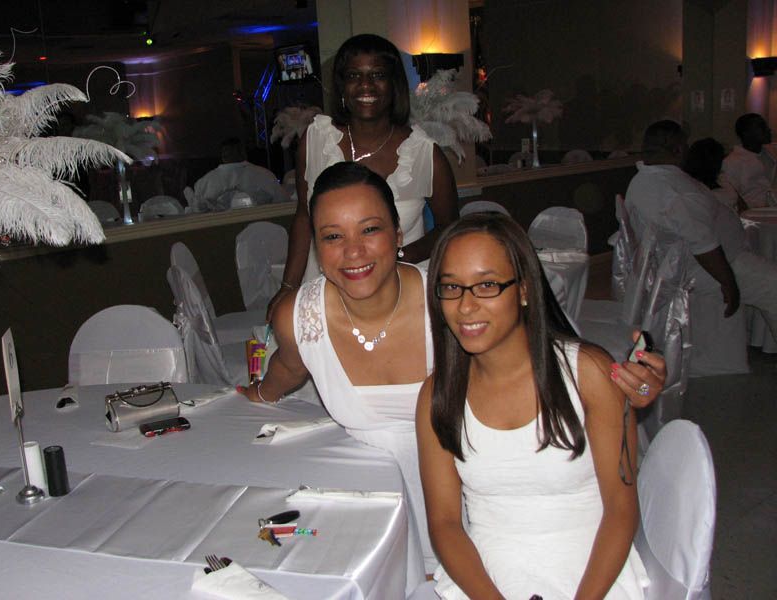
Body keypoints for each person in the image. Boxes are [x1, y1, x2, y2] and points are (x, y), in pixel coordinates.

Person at [240, 162, 667, 580]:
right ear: (316, 246)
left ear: (398, 234)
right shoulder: (306, 318)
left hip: (484, 494)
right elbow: (288, 368)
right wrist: (255, 394)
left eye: (369, 229)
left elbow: (551, 359)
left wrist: (630, 390)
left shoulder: (451, 300)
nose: (353, 251)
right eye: (333, 236)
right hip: (381, 496)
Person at [416, 213, 648, 599]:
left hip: (593, 571)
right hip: (487, 575)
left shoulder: (588, 374)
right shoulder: (438, 395)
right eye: (452, 287)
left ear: (523, 290)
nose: (466, 306)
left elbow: (621, 511)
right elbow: (445, 523)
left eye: (487, 285)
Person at [267, 33, 459, 319]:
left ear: (394, 85)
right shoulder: (317, 139)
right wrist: (288, 287)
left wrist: (395, 256)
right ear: (342, 86)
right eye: (354, 75)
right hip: (326, 293)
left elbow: (449, 228)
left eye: (378, 75)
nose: (366, 85)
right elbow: (304, 217)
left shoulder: (424, 154)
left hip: (400, 298)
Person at [626, 121, 777, 373]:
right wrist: (728, 282)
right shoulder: (671, 189)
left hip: (703, 261)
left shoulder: (649, 179)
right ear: (677, 149)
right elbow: (702, 243)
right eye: (684, 146)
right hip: (706, 268)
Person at [188, 137, 290, 211]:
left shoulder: (204, 182)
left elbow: (196, 211)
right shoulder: (265, 175)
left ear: (223, 156)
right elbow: (283, 202)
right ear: (243, 152)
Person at [721, 113, 776, 209]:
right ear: (746, 133)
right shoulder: (732, 162)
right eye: (761, 127)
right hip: (753, 215)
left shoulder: (770, 154)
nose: (768, 130)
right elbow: (730, 198)